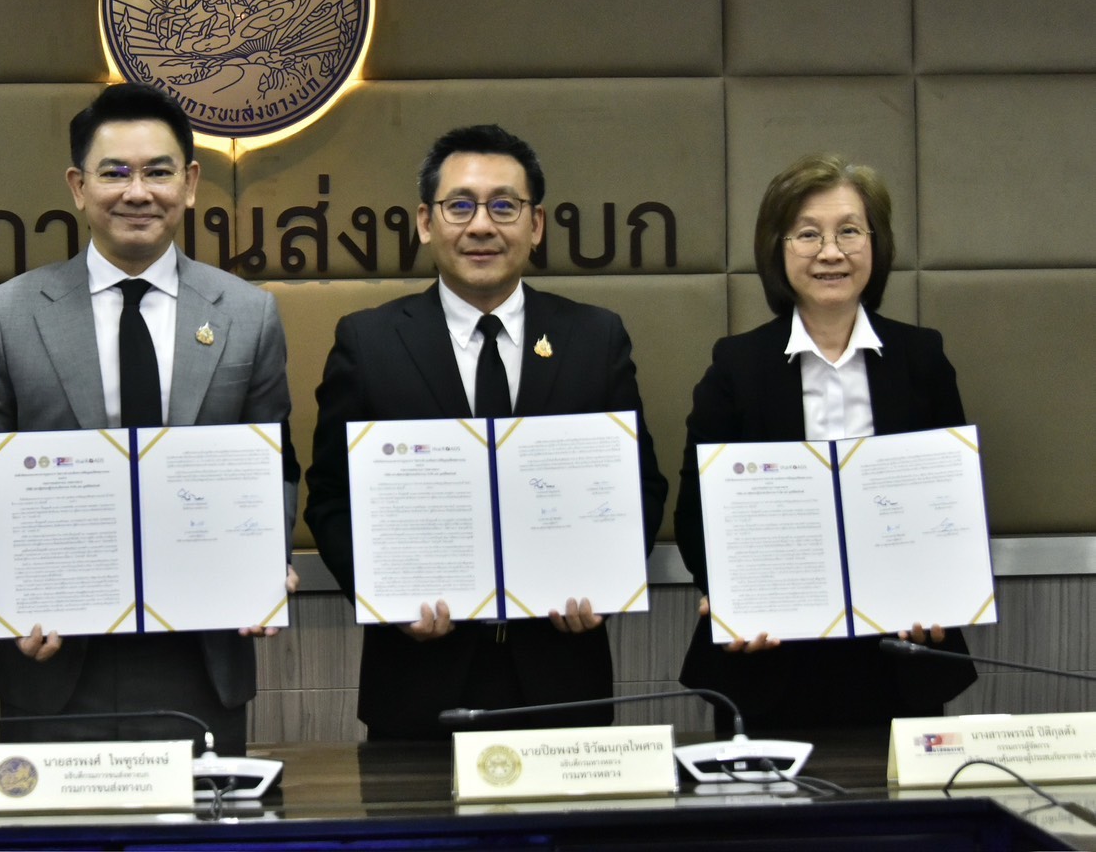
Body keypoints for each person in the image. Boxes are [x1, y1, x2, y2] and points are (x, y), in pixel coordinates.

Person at [0, 83, 297, 756]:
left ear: (191, 183)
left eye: (157, 171)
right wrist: (21, 589)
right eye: (114, 173)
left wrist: (262, 560)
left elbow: (273, 467)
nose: (136, 192)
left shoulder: (246, 315)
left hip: (201, 655)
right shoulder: (9, 315)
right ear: (78, 187)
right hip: (53, 654)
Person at [304, 124, 668, 740]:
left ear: (536, 224)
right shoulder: (368, 343)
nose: (481, 226)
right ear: (425, 221)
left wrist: (604, 584)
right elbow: (332, 501)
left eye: (504, 206)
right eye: (460, 206)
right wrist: (389, 601)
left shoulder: (595, 338)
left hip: (563, 678)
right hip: (419, 681)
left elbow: (641, 487)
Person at [674, 154, 977, 734]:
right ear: (778, 248)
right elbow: (697, 512)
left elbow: (952, 497)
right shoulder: (737, 365)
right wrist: (730, 596)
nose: (830, 252)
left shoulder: (922, 358)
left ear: (875, 245)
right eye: (808, 234)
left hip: (899, 653)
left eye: (849, 232)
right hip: (769, 656)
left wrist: (943, 590)